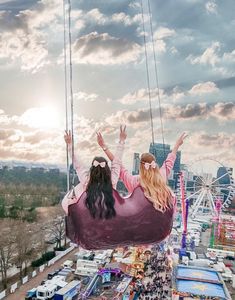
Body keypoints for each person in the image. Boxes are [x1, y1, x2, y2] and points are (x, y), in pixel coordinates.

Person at [97, 130, 187, 212]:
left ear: (141, 166)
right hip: (159, 227)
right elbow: (169, 161)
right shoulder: (161, 176)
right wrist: (177, 145)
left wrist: (104, 147)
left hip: (140, 225)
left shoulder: (134, 181)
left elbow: (117, 164)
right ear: (154, 164)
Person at [62, 126, 127, 218]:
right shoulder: (112, 180)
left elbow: (78, 164)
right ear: (107, 169)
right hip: (107, 217)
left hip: (90, 217)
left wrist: (69, 145)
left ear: (92, 169)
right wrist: (121, 140)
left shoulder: (86, 180)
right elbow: (117, 162)